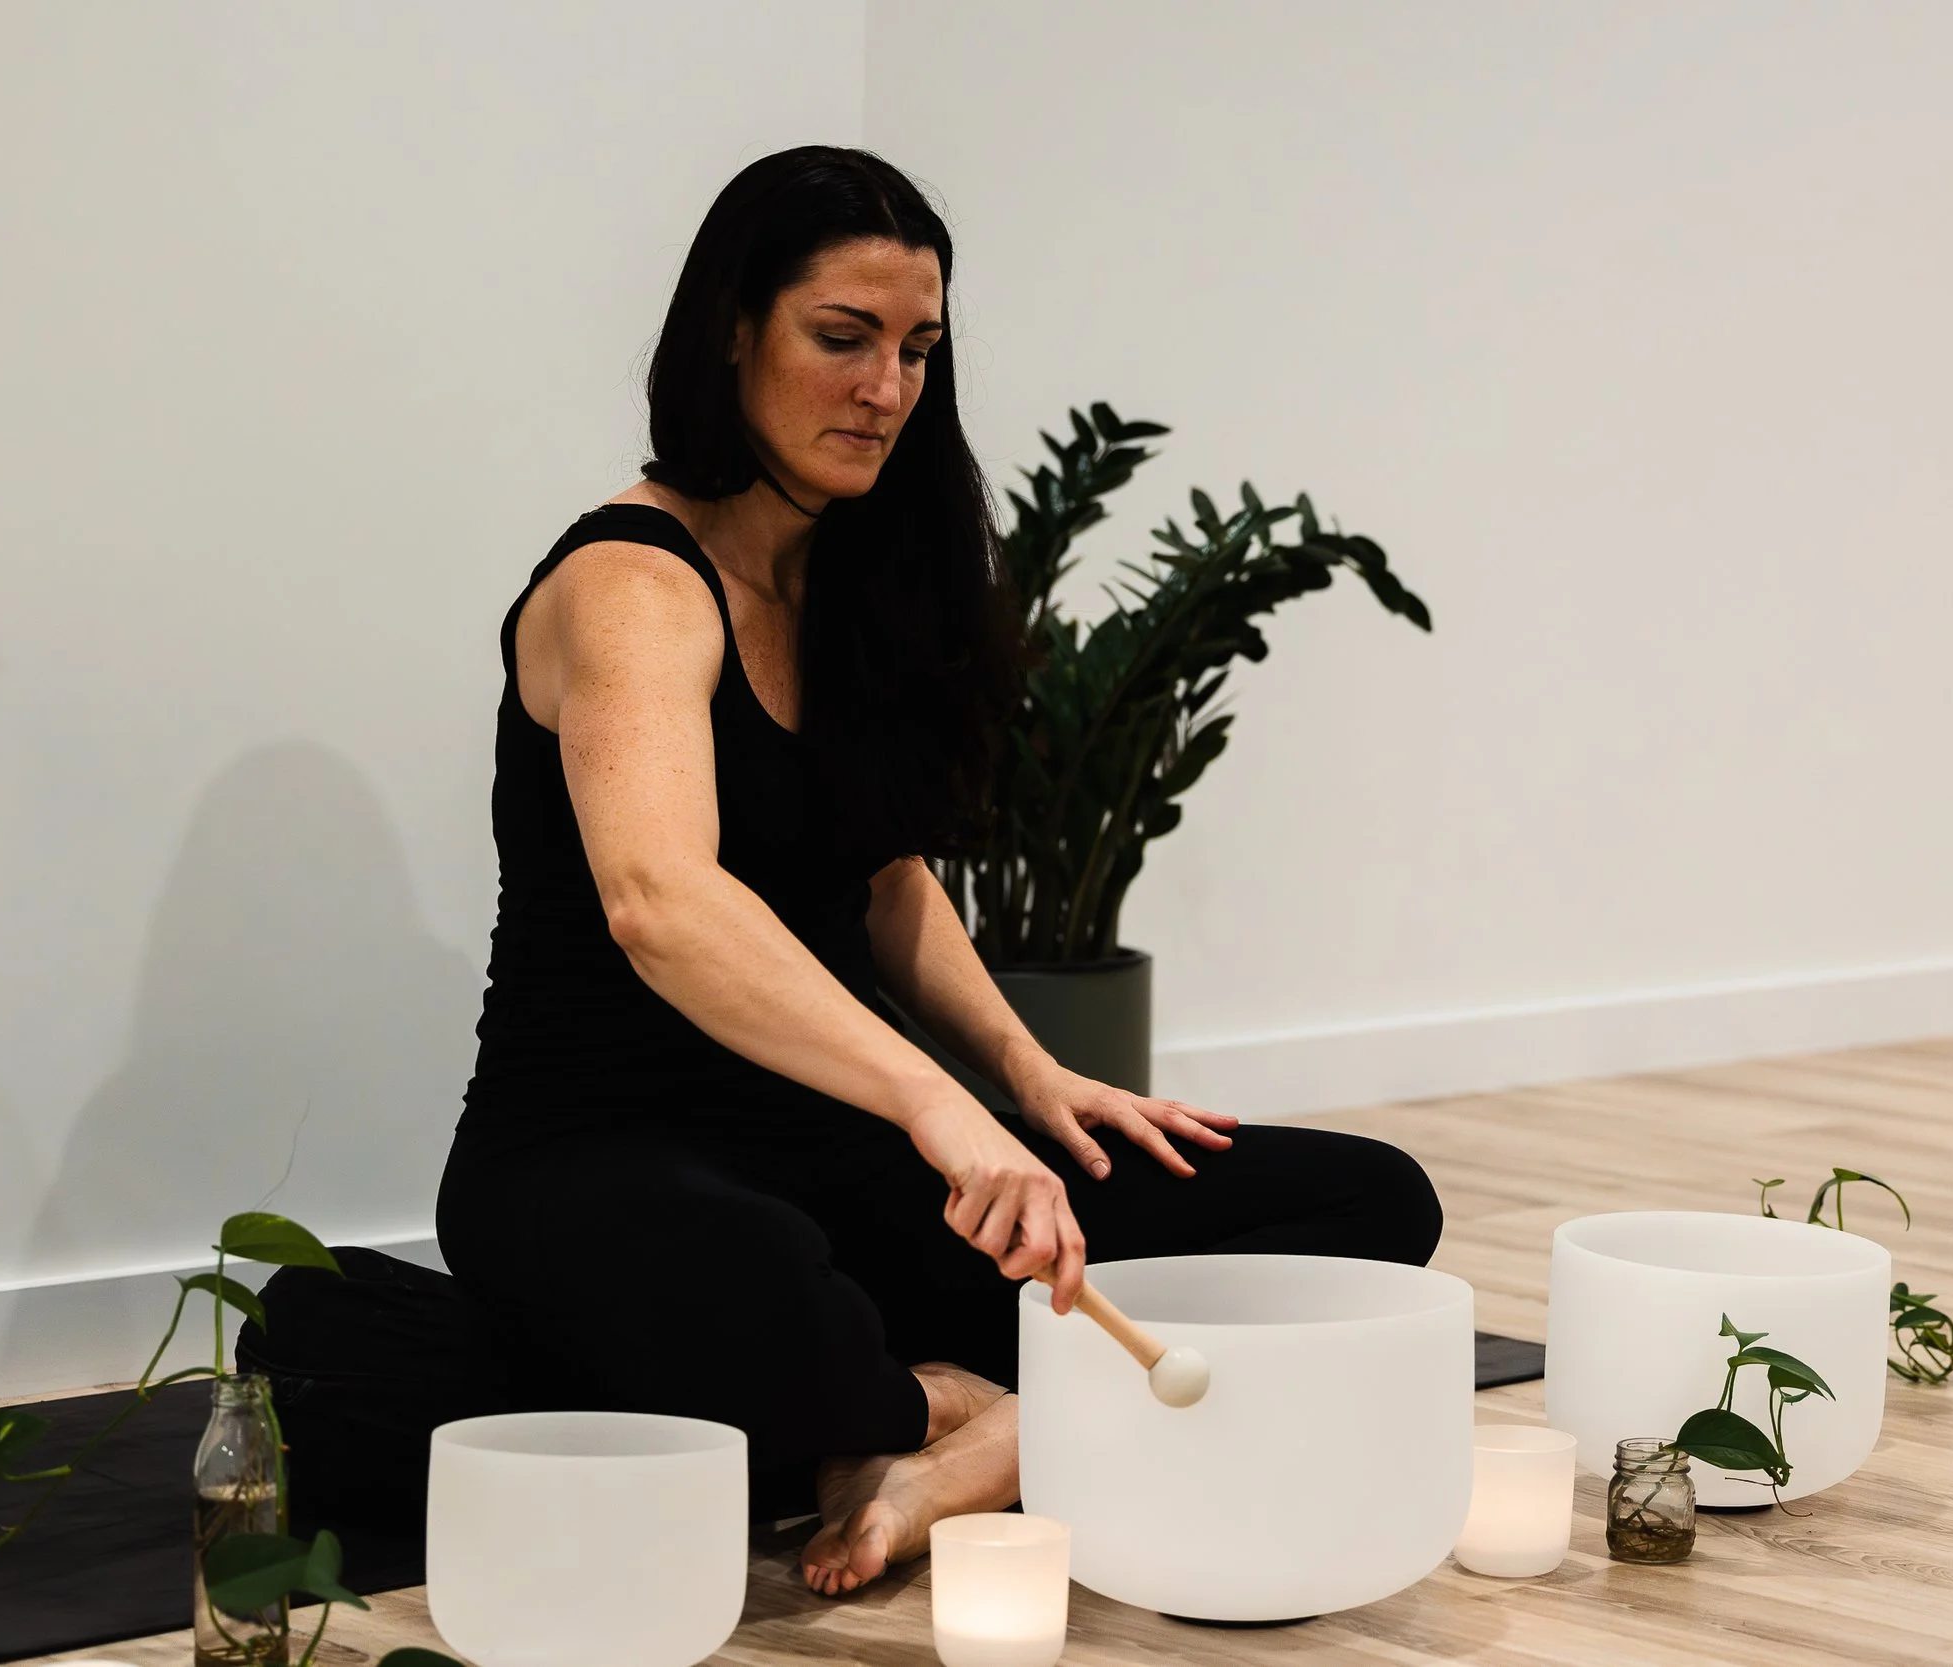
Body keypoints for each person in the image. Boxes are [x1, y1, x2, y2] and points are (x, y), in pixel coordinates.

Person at [434, 145, 1444, 1598]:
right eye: (842, 340)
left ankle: (925, 1422)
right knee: (759, 1282)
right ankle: (961, 1413)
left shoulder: (846, 576)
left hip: (839, 1154)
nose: (887, 389)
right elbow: (664, 903)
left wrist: (1035, 1084)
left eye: (917, 350)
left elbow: (885, 878)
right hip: (601, 1156)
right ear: (732, 330)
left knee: (1363, 1203)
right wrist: (935, 1103)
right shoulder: (629, 588)